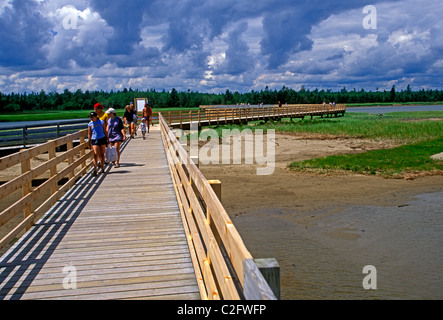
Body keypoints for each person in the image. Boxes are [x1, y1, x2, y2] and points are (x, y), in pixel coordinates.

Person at [88, 111, 109, 176]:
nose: (91, 118)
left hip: (102, 138)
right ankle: (95, 170)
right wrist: (89, 142)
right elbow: (89, 133)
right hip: (94, 139)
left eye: (92, 117)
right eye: (90, 117)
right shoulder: (90, 124)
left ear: (95, 116)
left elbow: (105, 130)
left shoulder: (101, 122)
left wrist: (107, 138)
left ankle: (102, 168)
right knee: (95, 154)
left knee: (102, 154)